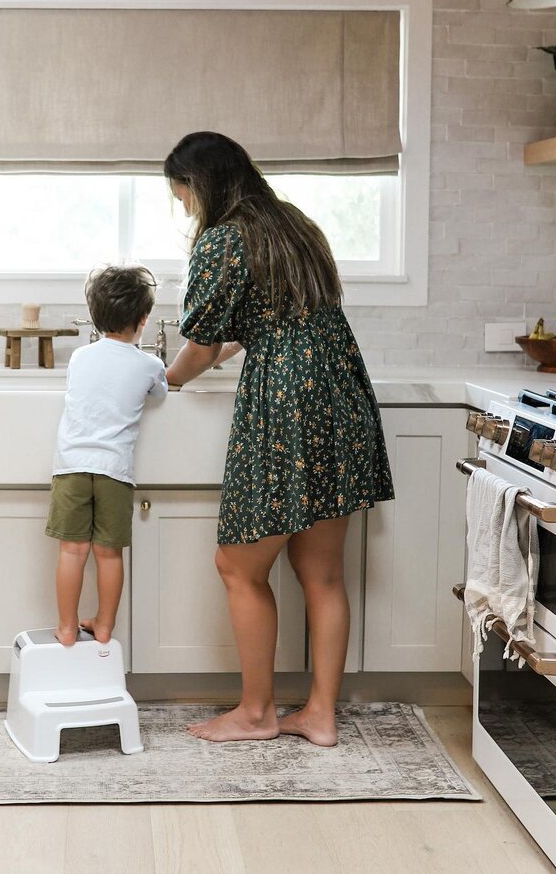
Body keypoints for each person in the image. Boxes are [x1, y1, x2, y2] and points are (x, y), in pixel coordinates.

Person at [164, 131, 393, 745]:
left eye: (182, 194)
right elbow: (281, 318)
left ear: (200, 184)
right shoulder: (293, 225)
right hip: (339, 389)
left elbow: (205, 342)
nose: (184, 207)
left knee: (237, 566)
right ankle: (320, 715)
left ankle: (256, 713)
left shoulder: (222, 238)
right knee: (322, 574)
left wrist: (168, 378)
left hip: (286, 403)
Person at [46, 264, 168, 647]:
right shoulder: (149, 364)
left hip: (72, 467)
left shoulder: (81, 357)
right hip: (115, 471)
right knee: (108, 554)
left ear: (95, 318)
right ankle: (103, 626)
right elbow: (162, 395)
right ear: (144, 319)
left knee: (72, 550)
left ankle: (66, 628)